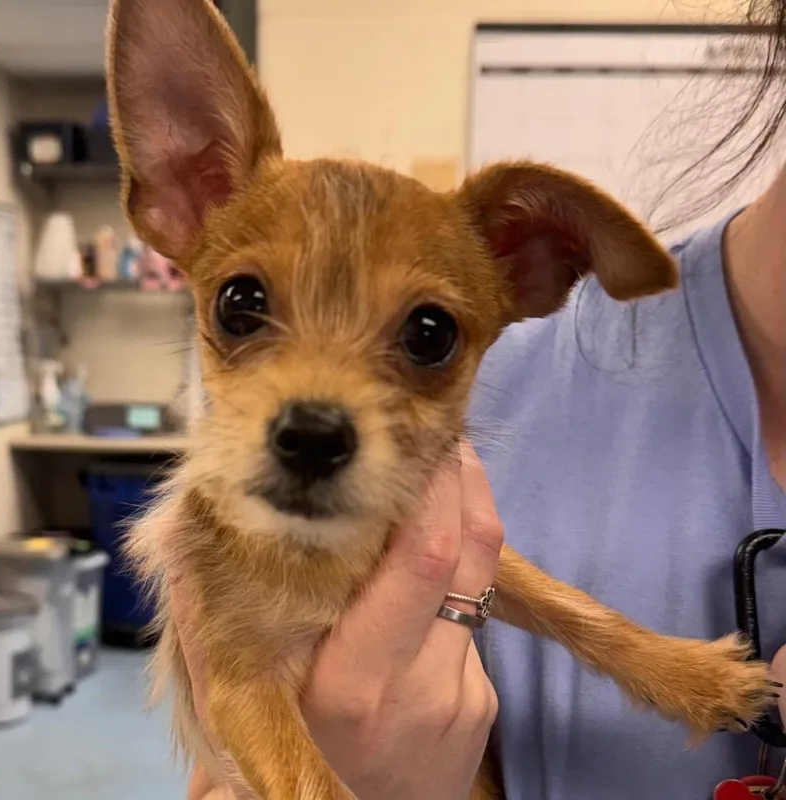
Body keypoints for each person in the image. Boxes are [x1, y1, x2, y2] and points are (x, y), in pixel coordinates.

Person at [181, 1, 786, 797]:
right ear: (179, 191)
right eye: (245, 309)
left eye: (424, 335)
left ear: (531, 263)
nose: (317, 407)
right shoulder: (538, 385)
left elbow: (483, 570)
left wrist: (645, 659)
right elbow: (225, 729)